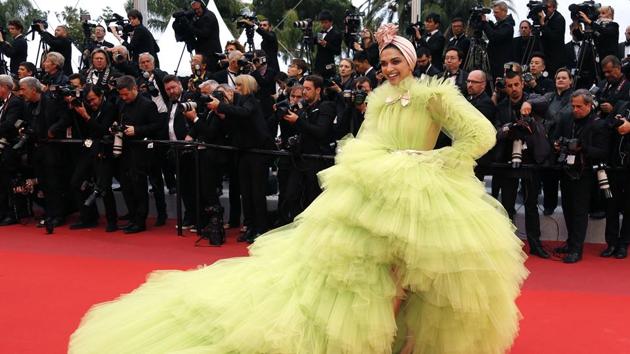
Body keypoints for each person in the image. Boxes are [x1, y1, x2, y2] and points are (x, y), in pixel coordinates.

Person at [68, 23, 527, 354]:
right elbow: (369, 141)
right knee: (370, 278)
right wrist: (383, 162)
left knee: (418, 279)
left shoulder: (435, 94)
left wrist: (434, 160)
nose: (389, 68)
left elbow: (481, 136)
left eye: (396, 60)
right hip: (373, 191)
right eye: (384, 61)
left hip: (420, 193)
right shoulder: (378, 96)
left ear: (412, 59)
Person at [481, 1, 515, 80]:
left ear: (504, 12)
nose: (494, 15)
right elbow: (494, 30)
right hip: (494, 64)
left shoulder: (508, 26)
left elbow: (494, 37)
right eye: (493, 12)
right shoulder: (500, 24)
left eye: (496, 12)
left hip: (501, 66)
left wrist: (485, 23)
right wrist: (486, 22)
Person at [313, 10, 342, 75]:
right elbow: (312, 42)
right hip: (318, 65)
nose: (323, 25)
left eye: (325, 22)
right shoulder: (320, 33)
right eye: (322, 22)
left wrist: (326, 44)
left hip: (328, 66)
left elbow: (338, 51)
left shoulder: (336, 34)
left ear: (331, 22)